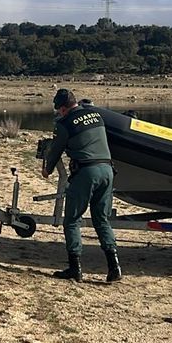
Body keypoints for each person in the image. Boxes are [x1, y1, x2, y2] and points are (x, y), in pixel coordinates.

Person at [41, 88, 121, 282]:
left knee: (72, 220)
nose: (59, 112)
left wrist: (47, 169)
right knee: (101, 219)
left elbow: (56, 150)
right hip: (107, 170)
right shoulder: (97, 115)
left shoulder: (65, 123)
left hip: (86, 172)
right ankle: (114, 267)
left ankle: (75, 268)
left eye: (58, 109)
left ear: (62, 108)